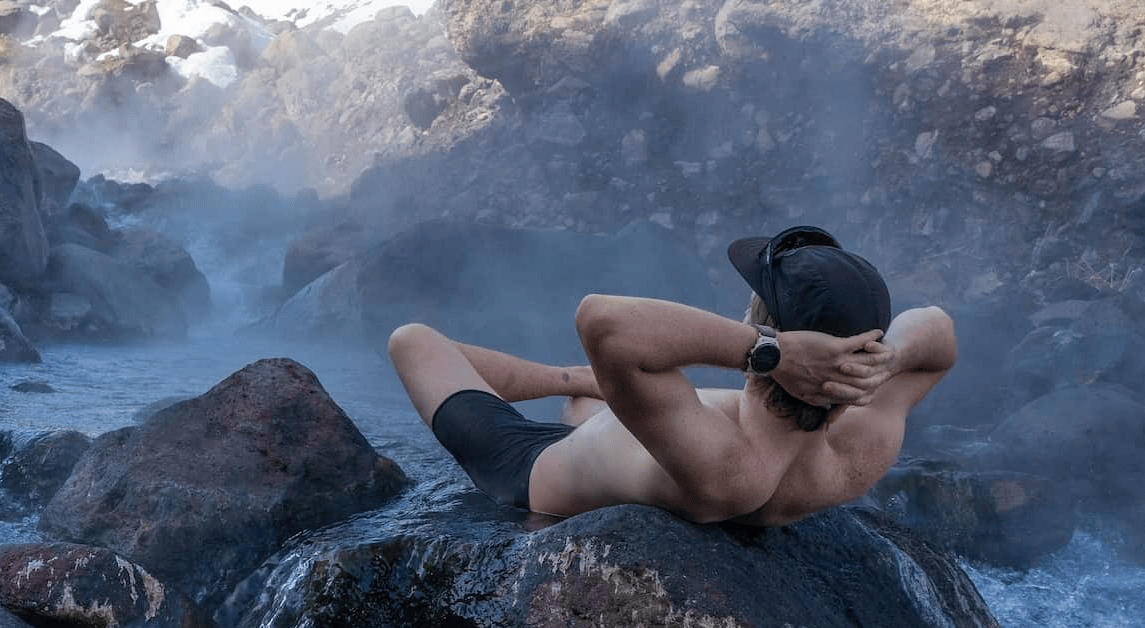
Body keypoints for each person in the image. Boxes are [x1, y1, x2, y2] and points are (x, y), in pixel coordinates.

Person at [388, 225, 956, 527]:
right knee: (591, 407)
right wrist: (887, 360)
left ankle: (574, 381)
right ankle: (583, 387)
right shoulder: (859, 446)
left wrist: (769, 352)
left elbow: (603, 319)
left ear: (764, 328)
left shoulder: (733, 471)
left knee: (415, 339)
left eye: (754, 307)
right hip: (640, 443)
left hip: (526, 469)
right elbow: (936, 328)